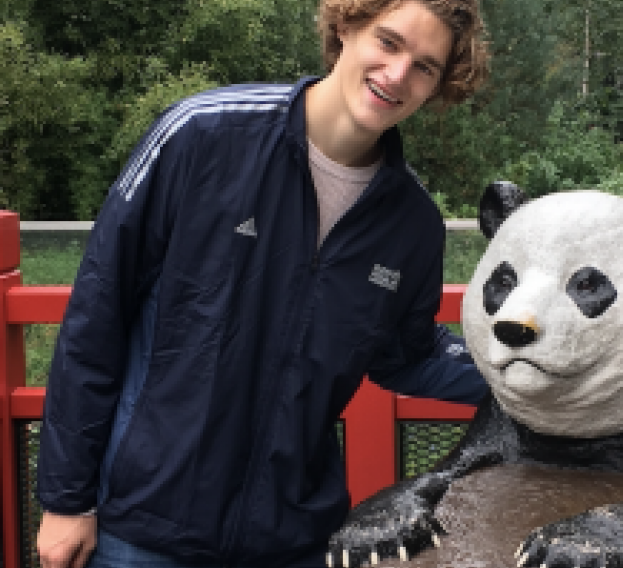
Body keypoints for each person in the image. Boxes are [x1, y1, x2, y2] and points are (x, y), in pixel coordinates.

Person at [35, 0, 490, 567]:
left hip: (294, 537)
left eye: (425, 66)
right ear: (346, 27)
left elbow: (408, 354)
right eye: (389, 42)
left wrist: (554, 377)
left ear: (438, 85)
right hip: (144, 528)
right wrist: (64, 499)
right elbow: (97, 315)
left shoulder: (412, 223)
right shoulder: (200, 136)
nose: (397, 75)